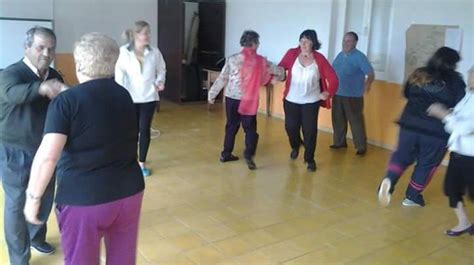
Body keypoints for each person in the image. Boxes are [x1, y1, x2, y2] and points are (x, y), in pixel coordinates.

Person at [23, 32, 145, 265]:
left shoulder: (66, 102)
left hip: (84, 199)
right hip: (129, 192)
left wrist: (33, 197)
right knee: (123, 259)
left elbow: (48, 157)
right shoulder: (124, 95)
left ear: (78, 64)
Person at [0, 26, 66, 264]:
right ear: (26, 47)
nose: (46, 53)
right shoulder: (10, 73)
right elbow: (12, 94)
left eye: (51, 48)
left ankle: (36, 237)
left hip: (45, 150)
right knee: (17, 203)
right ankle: (19, 258)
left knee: (44, 196)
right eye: (40, 47)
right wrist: (41, 88)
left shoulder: (55, 76)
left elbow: (62, 105)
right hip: (13, 150)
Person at [377, 47, 466, 207]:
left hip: (409, 124)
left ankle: (389, 180)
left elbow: (406, 93)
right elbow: (461, 105)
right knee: (427, 164)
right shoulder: (456, 81)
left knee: (401, 156)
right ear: (452, 63)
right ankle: (412, 196)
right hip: (436, 131)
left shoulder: (419, 73)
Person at [208, 30, 283, 170]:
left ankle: (226, 153)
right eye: (258, 42)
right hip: (249, 99)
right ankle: (249, 155)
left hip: (231, 98)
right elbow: (277, 71)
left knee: (231, 126)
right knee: (250, 129)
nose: (259, 45)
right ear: (254, 43)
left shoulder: (232, 59)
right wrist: (281, 74)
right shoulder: (260, 61)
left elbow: (222, 78)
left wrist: (212, 94)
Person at [278, 29, 339, 171]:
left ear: (313, 42)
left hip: (311, 102)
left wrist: (329, 93)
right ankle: (295, 145)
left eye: (307, 41)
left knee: (310, 131)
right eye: (301, 40)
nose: (303, 43)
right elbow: (281, 68)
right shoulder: (292, 54)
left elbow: (334, 79)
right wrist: (276, 75)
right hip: (291, 100)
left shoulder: (320, 59)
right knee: (290, 128)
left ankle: (309, 159)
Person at [115, 20, 166, 177]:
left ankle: (141, 162)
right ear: (136, 35)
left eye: (149, 33)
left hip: (149, 97)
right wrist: (120, 94)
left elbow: (162, 69)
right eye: (145, 33)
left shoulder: (155, 52)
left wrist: (159, 82)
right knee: (131, 130)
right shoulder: (123, 52)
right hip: (130, 98)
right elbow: (119, 74)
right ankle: (129, 159)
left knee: (144, 130)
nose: (148, 36)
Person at [427, 67, 474, 236]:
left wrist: (444, 114)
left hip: (472, 156)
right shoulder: (469, 95)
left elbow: (465, 128)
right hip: (458, 152)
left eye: (472, 75)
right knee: (451, 189)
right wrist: (448, 114)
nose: (469, 78)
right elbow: (455, 122)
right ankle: (464, 223)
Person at [331, 31, 374, 156]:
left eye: (349, 41)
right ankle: (339, 142)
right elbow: (332, 71)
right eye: (344, 40)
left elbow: (370, 73)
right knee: (338, 120)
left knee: (356, 121)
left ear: (355, 42)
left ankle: (360, 147)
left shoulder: (360, 57)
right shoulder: (340, 55)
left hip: (353, 96)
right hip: (338, 93)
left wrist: (367, 84)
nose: (345, 43)